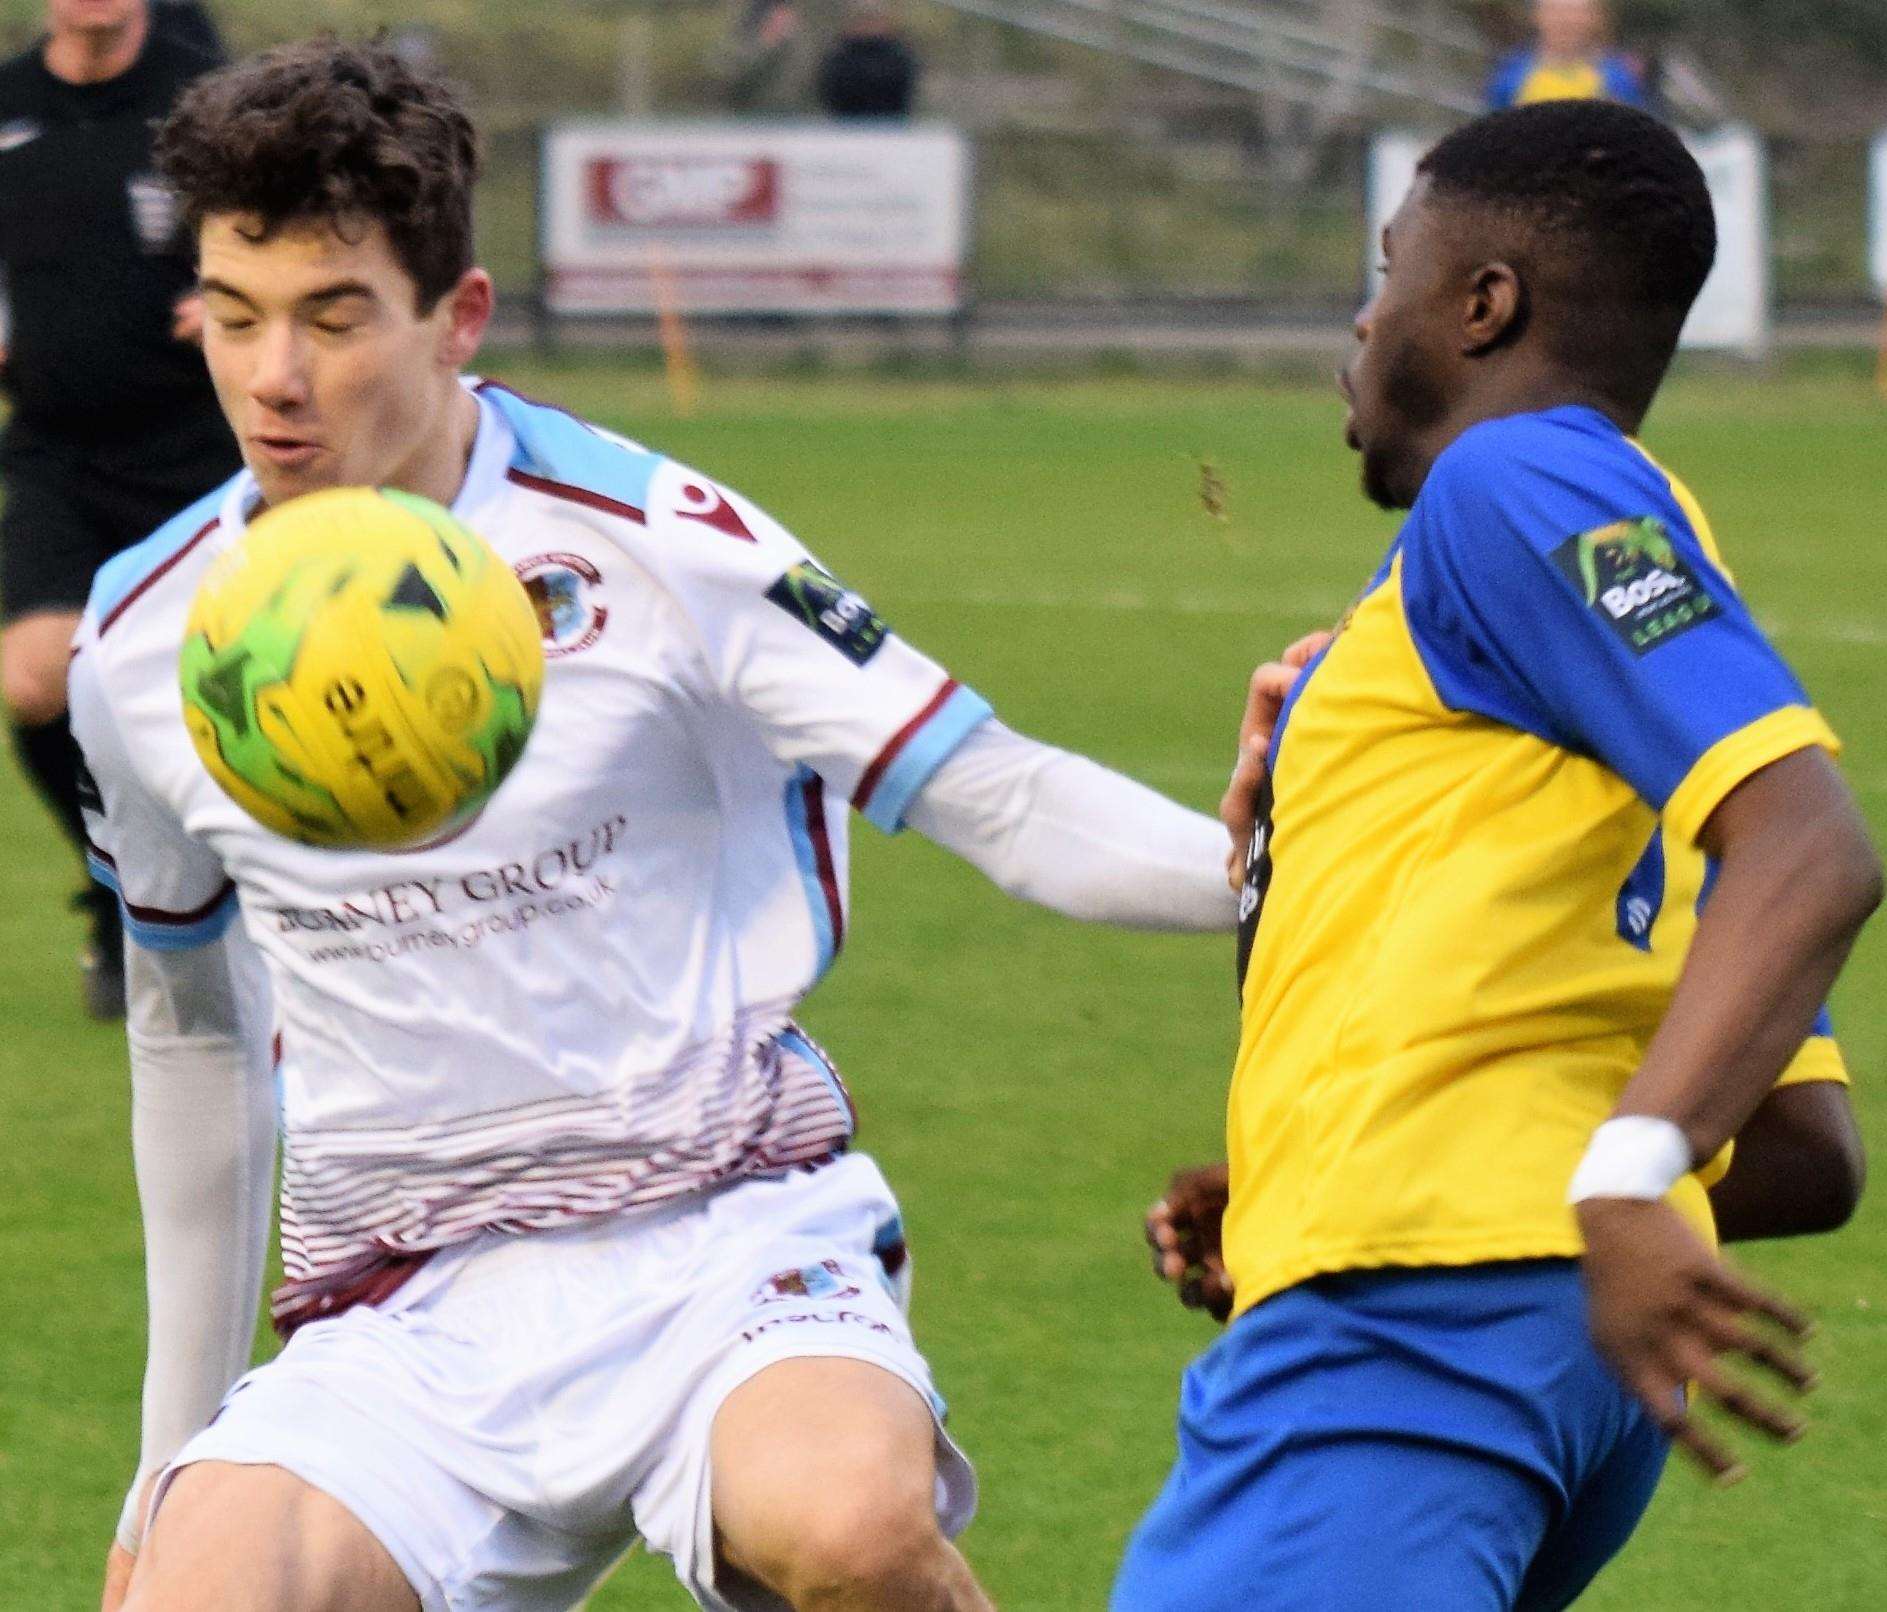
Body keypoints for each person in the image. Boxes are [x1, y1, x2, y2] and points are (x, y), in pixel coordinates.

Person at [77, 38, 1238, 1612]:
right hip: (404, 1307)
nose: (274, 378)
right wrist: (167, 1457)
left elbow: (1002, 795)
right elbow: (194, 1034)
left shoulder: (660, 547)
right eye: (235, 315)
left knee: (847, 1529)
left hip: (728, 1240)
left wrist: (1289, 883)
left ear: (457, 317)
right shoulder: (146, 642)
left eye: (336, 318)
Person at [1111, 99, 1885, 1612]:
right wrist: (1296, 1180)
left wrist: (1614, 1177)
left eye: (1389, 265)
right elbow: (1801, 1153)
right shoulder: (1616, 659)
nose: (1360, 312)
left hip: (1415, 1329)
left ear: (1482, 304)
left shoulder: (1511, 480)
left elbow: (1810, 848)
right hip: (1535, 1342)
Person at [0, 0, 233, 1020]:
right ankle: (115, 890)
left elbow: (288, 218)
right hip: (57, 447)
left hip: (201, 448)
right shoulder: (7, 104)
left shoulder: (205, 98)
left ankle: (247, 902)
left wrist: (233, 287)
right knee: (35, 684)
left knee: (214, 686)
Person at [1486, 0, 1645, 111]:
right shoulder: (1510, 74)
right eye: (1555, 11)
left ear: (1594, 18)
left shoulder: (1618, 78)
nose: (1565, 20)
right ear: (1537, 16)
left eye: (1575, 13)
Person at [816, 0, 920, 121]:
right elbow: (831, 92)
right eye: (863, 19)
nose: (868, 25)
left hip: (891, 128)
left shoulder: (898, 56)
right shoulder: (839, 57)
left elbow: (904, 91)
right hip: (845, 129)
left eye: (872, 19)